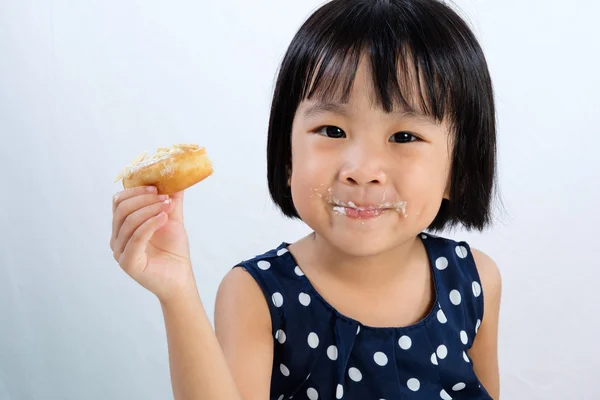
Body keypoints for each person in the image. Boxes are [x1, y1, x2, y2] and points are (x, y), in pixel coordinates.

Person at [110, 0, 502, 398]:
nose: (362, 169)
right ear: (286, 156)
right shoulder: (255, 295)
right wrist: (177, 292)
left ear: (459, 168)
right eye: (332, 131)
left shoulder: (475, 280)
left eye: (404, 137)